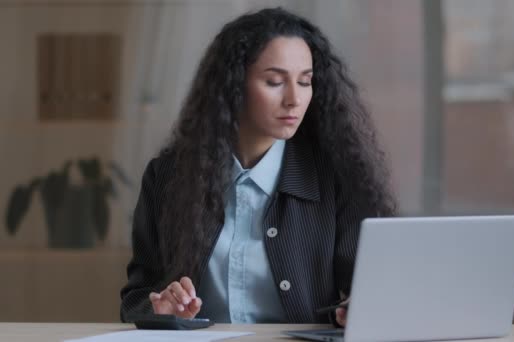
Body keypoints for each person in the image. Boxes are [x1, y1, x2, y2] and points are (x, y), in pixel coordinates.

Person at [120, 7, 396, 326]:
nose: (294, 98)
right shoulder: (167, 177)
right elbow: (136, 298)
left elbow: (372, 290)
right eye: (275, 81)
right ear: (233, 85)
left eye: (305, 81)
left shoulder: (338, 177)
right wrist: (160, 308)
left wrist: (356, 308)